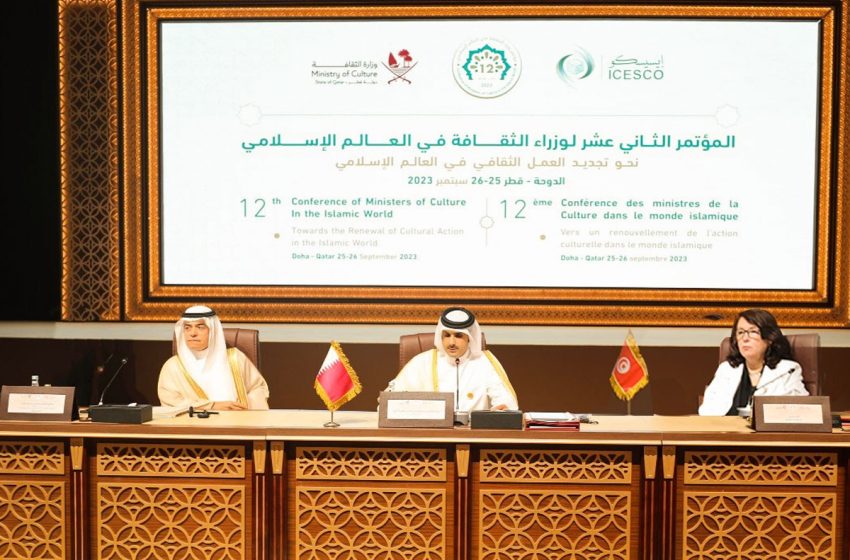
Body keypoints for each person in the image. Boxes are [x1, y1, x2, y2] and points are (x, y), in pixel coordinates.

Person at [385, 306, 518, 411]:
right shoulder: (422, 362)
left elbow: (503, 400)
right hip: (433, 433)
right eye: (447, 335)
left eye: (458, 336)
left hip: (474, 433)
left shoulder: (485, 362)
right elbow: (391, 400)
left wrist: (501, 409)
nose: (451, 342)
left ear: (469, 338)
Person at [158, 305, 270, 410]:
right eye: (187, 328)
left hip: (238, 421)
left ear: (213, 331)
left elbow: (257, 388)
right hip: (194, 423)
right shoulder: (173, 366)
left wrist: (244, 408)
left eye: (200, 327)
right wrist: (211, 406)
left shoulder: (235, 358)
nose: (192, 333)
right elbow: (172, 402)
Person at [698, 308, 807, 416]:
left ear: (770, 338)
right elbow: (706, 410)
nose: (745, 338)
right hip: (727, 427)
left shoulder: (788, 370)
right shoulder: (726, 369)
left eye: (753, 332)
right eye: (740, 332)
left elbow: (801, 411)